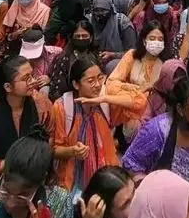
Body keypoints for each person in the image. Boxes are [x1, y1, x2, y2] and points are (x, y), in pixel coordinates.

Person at [122, 76, 189, 212]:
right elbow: (131, 166)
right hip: (158, 207)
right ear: (180, 109)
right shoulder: (156, 131)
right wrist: (157, 193)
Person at [50, 57, 144, 194]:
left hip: (106, 177)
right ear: (76, 84)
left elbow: (140, 102)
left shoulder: (106, 101)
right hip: (71, 181)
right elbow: (54, 150)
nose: (97, 85)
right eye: (90, 81)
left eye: (100, 78)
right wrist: (73, 151)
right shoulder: (62, 107)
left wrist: (104, 98)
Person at [0, 56, 50, 191]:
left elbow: (51, 139)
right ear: (8, 87)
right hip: (2, 186)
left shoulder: (42, 105)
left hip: (36, 183)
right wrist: (4, 165)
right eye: (26, 78)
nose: (33, 81)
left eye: (32, 75)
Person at [108, 20, 167, 93]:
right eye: (152, 38)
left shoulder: (166, 63)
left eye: (160, 39)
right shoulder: (132, 55)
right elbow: (111, 82)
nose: (156, 42)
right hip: (130, 96)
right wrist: (125, 86)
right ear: (144, 41)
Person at [47, 19, 99, 101]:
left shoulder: (96, 56)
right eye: (77, 36)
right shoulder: (63, 58)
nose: (81, 39)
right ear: (72, 38)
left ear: (91, 38)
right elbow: (57, 89)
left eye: (84, 36)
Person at [89, 0, 137, 66]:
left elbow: (133, 52)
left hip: (119, 65)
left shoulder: (122, 22)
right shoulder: (90, 22)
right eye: (96, 10)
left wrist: (113, 55)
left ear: (111, 9)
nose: (100, 14)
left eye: (103, 10)